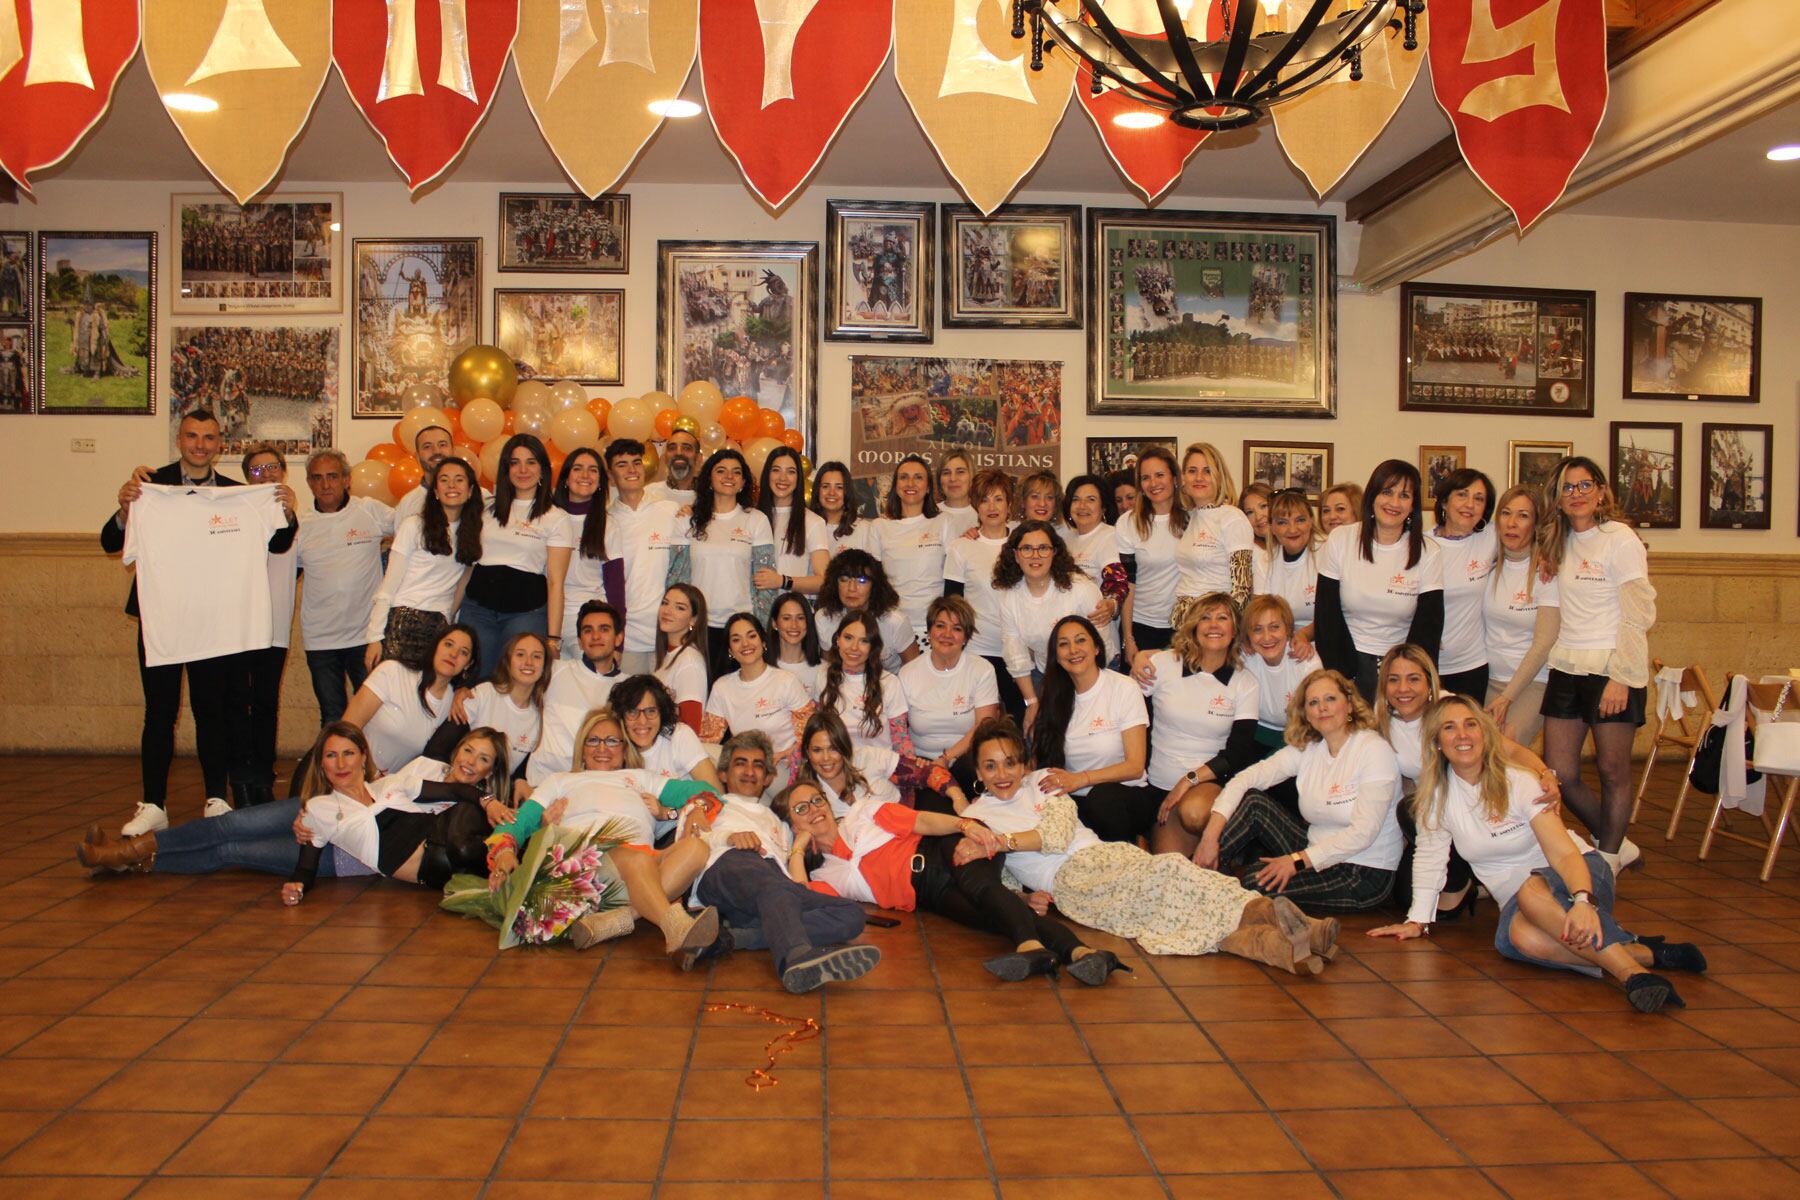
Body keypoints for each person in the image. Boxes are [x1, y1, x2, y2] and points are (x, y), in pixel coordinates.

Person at [1370, 698, 1706, 1013]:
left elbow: (1562, 853)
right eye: (1449, 728)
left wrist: (1582, 901)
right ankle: (1649, 953)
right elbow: (1430, 857)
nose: (1462, 735)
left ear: (1485, 734)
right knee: (1522, 938)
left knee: (1532, 891)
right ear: (1436, 743)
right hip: (1521, 902)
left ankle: (1633, 975)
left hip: (1579, 873)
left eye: (1471, 724)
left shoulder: (1520, 782)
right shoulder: (1436, 799)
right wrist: (1417, 920)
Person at [959, 719, 1338, 972]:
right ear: (977, 771)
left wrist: (1000, 842)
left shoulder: (1043, 780)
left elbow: (1058, 833)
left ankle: (1281, 936)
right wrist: (1026, 899)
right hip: (1071, 881)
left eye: (1010, 763)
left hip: (1106, 854)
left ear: (1023, 763)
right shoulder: (977, 817)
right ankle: (1283, 936)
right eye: (990, 766)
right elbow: (998, 880)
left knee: (1177, 873)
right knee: (1167, 887)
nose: (1002, 774)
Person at [102, 409, 299, 834]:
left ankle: (215, 796)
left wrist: (285, 510)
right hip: (163, 620)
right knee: (160, 712)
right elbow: (110, 541)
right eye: (193, 436)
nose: (200, 445)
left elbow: (280, 543)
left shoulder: (237, 494)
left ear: (220, 444)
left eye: (209, 438)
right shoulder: (150, 486)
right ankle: (153, 803)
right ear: (180, 438)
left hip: (216, 622)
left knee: (213, 711)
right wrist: (124, 511)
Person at [778, 775, 1124, 984]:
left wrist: (966, 826)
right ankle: (1083, 953)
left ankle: (1031, 948)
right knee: (989, 915)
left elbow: (923, 822)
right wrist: (798, 851)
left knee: (983, 889)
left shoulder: (862, 814)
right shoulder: (826, 874)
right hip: (929, 892)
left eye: (817, 799)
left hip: (941, 846)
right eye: (801, 809)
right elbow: (802, 900)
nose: (814, 809)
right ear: (793, 824)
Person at [489, 709, 720, 954]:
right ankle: (676, 927)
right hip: (586, 863)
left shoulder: (642, 777)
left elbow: (706, 790)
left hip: (642, 865)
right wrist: (504, 850)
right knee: (639, 859)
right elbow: (518, 822)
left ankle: (616, 921)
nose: (602, 748)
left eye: (611, 741)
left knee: (697, 848)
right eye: (593, 740)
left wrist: (697, 808)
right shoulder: (559, 781)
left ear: (624, 747)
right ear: (582, 747)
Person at [684, 732, 882, 990]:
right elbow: (689, 840)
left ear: (768, 778)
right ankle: (796, 957)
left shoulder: (779, 822)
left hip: (772, 889)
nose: (749, 771)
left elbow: (796, 879)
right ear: (722, 774)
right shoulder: (709, 803)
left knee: (851, 914)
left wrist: (798, 847)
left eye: (758, 765)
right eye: (740, 762)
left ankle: (730, 939)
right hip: (725, 866)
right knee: (773, 887)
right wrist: (729, 837)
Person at [1195, 668, 1404, 912]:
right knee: (1254, 802)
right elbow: (1245, 779)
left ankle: (1201, 892)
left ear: (1349, 704)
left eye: (1330, 699)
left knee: (1254, 881)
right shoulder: (1311, 748)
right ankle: (1196, 879)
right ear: (1306, 714)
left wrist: (1296, 861)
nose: (1322, 708)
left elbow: (1364, 833)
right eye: (1313, 702)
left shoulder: (1373, 749)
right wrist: (1209, 838)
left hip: (1362, 872)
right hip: (1313, 852)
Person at [1537, 456, 1655, 873]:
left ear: (1602, 491)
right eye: (1568, 488)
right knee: (1561, 773)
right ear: (1558, 498)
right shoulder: (1554, 543)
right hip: (1567, 666)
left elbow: (1638, 612)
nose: (1578, 494)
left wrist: (1621, 677)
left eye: (1585, 485)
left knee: (1612, 769)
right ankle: (1616, 842)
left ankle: (1606, 861)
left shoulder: (1620, 538)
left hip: (1612, 667)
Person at [77, 721, 382, 881]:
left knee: (231, 850)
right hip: (321, 807)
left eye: (348, 754)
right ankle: (123, 851)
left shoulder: (387, 790)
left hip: (338, 853)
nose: (341, 764)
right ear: (322, 764)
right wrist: (312, 814)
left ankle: (130, 861)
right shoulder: (319, 798)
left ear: (363, 757)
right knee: (230, 822)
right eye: (331, 755)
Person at [1131, 593, 1262, 857]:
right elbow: (1125, 710)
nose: (1213, 624)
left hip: (1204, 790)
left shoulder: (1245, 682)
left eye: (1222, 618)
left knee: (1193, 813)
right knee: (1170, 873)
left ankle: (1217, 848)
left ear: (1235, 629)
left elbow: (1239, 752)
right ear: (1193, 626)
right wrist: (1139, 657)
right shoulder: (1164, 664)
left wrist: (1188, 780)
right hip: (1158, 788)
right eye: (1205, 617)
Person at [1315, 460, 1444, 702]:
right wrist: (1342, 675)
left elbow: (1428, 628)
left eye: (1404, 495)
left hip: (1400, 670)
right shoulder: (1341, 539)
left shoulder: (1429, 552)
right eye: (1387, 492)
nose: (1394, 503)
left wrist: (1406, 676)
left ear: (1413, 505)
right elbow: (1326, 615)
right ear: (1372, 496)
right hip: (1345, 662)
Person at [1025, 615, 1154, 845]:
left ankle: (1131, 854)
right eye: (1063, 644)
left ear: (1096, 647)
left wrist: (1080, 779)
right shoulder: (1053, 697)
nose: (1073, 649)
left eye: (1080, 640)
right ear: (1057, 656)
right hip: (1075, 799)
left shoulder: (1123, 687)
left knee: (1102, 799)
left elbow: (1135, 767)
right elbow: (1041, 764)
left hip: (1125, 797)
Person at [296, 449, 395, 725]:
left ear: (347, 479)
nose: (325, 485)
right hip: (320, 640)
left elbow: (412, 527)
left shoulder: (369, 511)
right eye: (317, 478)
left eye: (332, 476)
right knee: (332, 717)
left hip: (366, 638)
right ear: (309, 483)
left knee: (376, 717)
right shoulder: (300, 525)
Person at [667, 447, 777, 679]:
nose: (729, 476)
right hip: (698, 629)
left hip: (742, 630)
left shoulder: (756, 520)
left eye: (736, 472)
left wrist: (762, 630)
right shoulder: (688, 519)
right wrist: (679, 628)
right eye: (721, 471)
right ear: (709, 478)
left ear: (743, 482)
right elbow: (677, 578)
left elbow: (766, 582)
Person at [365, 458, 479, 671]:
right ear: (435, 491)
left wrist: (448, 618)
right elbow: (388, 586)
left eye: (459, 480)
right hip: (403, 621)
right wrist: (374, 637)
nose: (452, 486)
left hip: (440, 629)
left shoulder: (474, 533)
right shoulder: (414, 526)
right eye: (444, 480)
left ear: (470, 490)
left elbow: (462, 582)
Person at [461, 434, 558, 680]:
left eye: (531, 462)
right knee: (474, 683)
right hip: (477, 610)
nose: (522, 470)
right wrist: (448, 613)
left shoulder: (556, 518)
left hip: (526, 613)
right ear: (506, 469)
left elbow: (555, 582)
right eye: (515, 463)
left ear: (543, 469)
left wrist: (554, 638)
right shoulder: (485, 508)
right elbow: (470, 567)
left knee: (515, 684)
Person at [997, 521, 1116, 716]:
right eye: (1027, 548)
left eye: (1043, 548)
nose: (1035, 556)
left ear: (1055, 552)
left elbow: (1100, 646)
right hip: (1046, 674)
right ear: (1015, 555)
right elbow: (1016, 655)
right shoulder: (1010, 597)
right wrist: (1032, 702)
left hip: (1092, 672)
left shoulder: (1081, 589)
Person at [238, 444, 299, 809]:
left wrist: (289, 513)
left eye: (272, 467)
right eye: (258, 470)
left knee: (265, 704)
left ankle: (262, 774)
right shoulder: (237, 511)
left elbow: (284, 549)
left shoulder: (292, 516)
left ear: (284, 471)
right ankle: (241, 775)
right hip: (237, 629)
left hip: (273, 630)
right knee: (237, 706)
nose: (267, 475)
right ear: (247, 476)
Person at [1483, 484, 1562, 745]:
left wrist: (1509, 696)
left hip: (1531, 683)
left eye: (1523, 515)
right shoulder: (1488, 563)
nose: (1512, 523)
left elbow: (1545, 641)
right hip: (1489, 679)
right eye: (1506, 513)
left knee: (1506, 748)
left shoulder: (1547, 572)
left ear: (1536, 523)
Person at [898, 596, 1002, 789]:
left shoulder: (982, 669)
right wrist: (914, 760)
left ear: (966, 637)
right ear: (929, 631)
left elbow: (984, 725)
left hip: (969, 758)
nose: (947, 634)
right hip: (923, 761)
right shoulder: (907, 673)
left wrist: (947, 757)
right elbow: (898, 729)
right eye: (940, 626)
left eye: (956, 628)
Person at [343, 624, 477, 773]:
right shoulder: (392, 672)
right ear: (435, 647)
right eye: (448, 644)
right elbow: (347, 727)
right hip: (347, 769)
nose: (453, 654)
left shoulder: (453, 705)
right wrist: (372, 773)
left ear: (468, 665)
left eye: (463, 652)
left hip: (388, 789)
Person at [605, 438, 685, 674]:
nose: (632, 470)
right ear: (610, 475)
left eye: (636, 462)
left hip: (669, 637)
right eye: (622, 465)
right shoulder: (606, 521)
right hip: (627, 640)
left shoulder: (670, 510)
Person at [943, 469, 1017, 716]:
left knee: (1021, 724)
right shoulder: (961, 547)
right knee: (979, 725)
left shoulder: (1025, 543)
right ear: (975, 505)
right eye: (984, 499)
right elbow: (953, 603)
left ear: (1009, 504)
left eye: (998, 498)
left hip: (1020, 650)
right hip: (978, 649)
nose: (991, 506)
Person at [529, 600, 624, 786]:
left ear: (618, 639)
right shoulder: (554, 671)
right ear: (580, 642)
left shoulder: (628, 687)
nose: (595, 636)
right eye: (588, 630)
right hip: (542, 783)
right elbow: (509, 685)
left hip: (598, 787)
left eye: (604, 629)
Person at [704, 613, 813, 772]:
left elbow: (812, 734)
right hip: (748, 769)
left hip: (785, 766)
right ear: (730, 650)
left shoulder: (786, 681)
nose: (745, 644)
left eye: (751, 636)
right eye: (736, 639)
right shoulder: (722, 687)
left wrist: (790, 753)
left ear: (763, 641)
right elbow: (708, 741)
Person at [1428, 468, 1499, 699]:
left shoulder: (1492, 538)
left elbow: (1535, 536)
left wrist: (1546, 559)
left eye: (1479, 499)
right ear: (1445, 502)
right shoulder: (1422, 545)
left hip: (1472, 666)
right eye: (1462, 495)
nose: (1470, 504)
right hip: (1429, 666)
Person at [549, 447, 624, 662]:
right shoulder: (547, 518)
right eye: (578, 469)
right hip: (547, 619)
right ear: (565, 477)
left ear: (601, 481)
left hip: (589, 623)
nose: (585, 476)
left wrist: (619, 644)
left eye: (593, 470)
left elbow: (616, 587)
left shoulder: (608, 524)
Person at [444, 631, 548, 784]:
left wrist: (519, 780)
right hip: (453, 785)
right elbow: (441, 748)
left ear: (545, 667)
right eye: (520, 654)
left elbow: (516, 774)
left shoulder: (539, 717)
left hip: (493, 799)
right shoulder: (484, 693)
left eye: (537, 656)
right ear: (508, 661)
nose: (528, 662)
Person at [1116, 446, 1186, 660]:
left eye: (1159, 475)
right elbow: (1128, 584)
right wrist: (1129, 638)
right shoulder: (1128, 523)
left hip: (1184, 626)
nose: (1153, 483)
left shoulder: (1192, 519)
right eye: (1146, 477)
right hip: (1141, 626)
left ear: (1174, 477)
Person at [868, 454, 946, 643]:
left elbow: (955, 578)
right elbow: (873, 580)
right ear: (896, 486)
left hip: (933, 627)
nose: (910, 483)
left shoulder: (944, 522)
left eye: (918, 477)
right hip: (890, 624)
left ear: (928, 487)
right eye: (904, 477)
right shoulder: (879, 526)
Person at [1172, 441, 1255, 615]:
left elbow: (1242, 589)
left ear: (1219, 476)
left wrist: (1227, 629)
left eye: (1207, 471)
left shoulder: (1233, 518)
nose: (1199, 477)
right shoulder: (1190, 517)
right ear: (1184, 478)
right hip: (1186, 624)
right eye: (1192, 471)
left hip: (1214, 625)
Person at [814, 612, 911, 753]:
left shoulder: (889, 682)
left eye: (864, 641)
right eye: (848, 638)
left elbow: (900, 739)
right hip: (835, 765)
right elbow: (818, 730)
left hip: (879, 767)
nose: (854, 647)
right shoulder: (823, 676)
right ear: (837, 640)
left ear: (873, 647)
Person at [1238, 595, 1316, 764]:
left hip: (1300, 736)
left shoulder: (1306, 659)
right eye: (1257, 629)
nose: (1267, 637)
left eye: (1274, 627)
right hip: (1256, 733)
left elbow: (1313, 724)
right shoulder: (1244, 656)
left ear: (1288, 629)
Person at [611, 674, 724, 790]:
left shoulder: (679, 735)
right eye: (632, 712)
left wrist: (669, 809)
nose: (642, 721)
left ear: (662, 713)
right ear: (621, 716)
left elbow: (715, 792)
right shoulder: (613, 746)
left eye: (651, 711)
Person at [815, 550, 916, 671]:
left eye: (862, 580)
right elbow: (829, 667)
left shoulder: (895, 622)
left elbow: (913, 669)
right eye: (844, 579)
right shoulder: (824, 618)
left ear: (874, 586)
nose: (852, 588)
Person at [754, 446, 829, 599]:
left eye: (791, 472)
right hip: (752, 614)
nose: (783, 478)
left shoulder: (813, 522)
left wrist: (782, 581)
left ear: (799, 478)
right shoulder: (751, 518)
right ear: (767, 474)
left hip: (792, 615)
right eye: (776, 470)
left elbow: (824, 581)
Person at [1254, 489, 1320, 639]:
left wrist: (1303, 635)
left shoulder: (1327, 552)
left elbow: (1336, 613)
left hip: (1324, 640)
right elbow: (1260, 613)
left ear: (1311, 520)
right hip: (1280, 640)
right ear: (1272, 527)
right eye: (1282, 522)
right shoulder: (1265, 561)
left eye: (1300, 520)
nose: (1292, 529)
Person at [394, 422, 485, 524]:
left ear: (453, 451)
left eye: (442, 445)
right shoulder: (407, 505)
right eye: (427, 446)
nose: (436, 451)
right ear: (418, 457)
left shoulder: (481, 496)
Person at [653, 583, 710, 732]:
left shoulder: (689, 661)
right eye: (665, 603)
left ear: (693, 620)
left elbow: (690, 726)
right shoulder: (668, 656)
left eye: (680, 607)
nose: (667, 611)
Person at [811, 460, 877, 557]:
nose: (832, 493)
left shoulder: (864, 529)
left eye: (839, 487)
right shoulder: (807, 527)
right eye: (825, 486)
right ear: (818, 491)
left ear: (848, 492)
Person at [765, 590, 822, 674]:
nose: (794, 625)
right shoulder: (763, 668)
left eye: (800, 618)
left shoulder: (823, 670)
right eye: (786, 618)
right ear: (774, 623)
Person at [646, 427, 700, 505]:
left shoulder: (712, 497)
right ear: (665, 458)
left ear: (698, 458)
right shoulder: (649, 494)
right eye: (672, 448)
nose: (678, 453)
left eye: (686, 448)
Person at [935, 449, 979, 539]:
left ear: (972, 476)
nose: (953, 478)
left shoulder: (984, 516)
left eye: (960, 472)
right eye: (946, 473)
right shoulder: (928, 515)